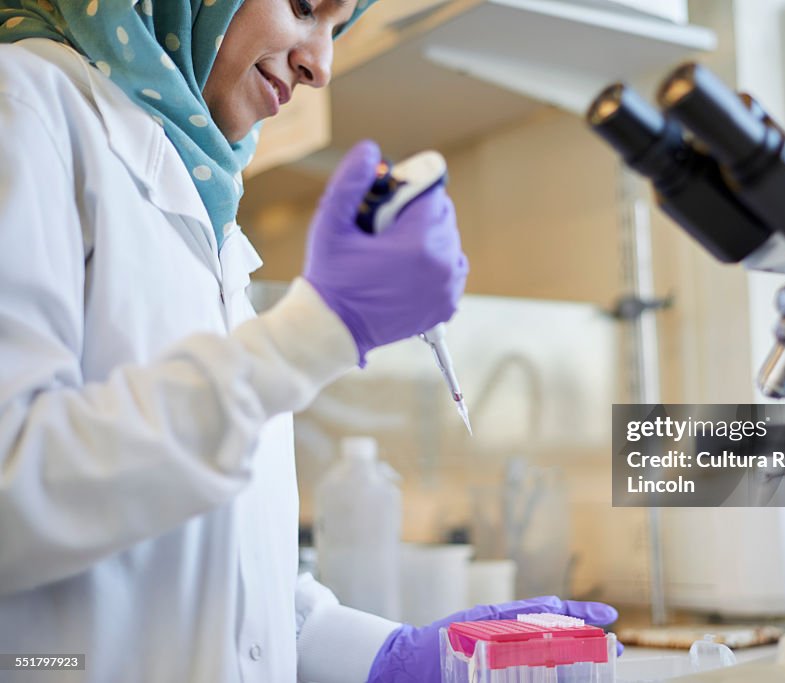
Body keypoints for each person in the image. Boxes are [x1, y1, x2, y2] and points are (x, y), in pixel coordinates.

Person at [0, 1, 618, 682]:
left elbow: (220, 563)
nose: (320, 63)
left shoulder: (205, 205)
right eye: (303, 6)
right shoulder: (23, 102)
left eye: (337, 27)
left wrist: (384, 654)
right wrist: (312, 336)